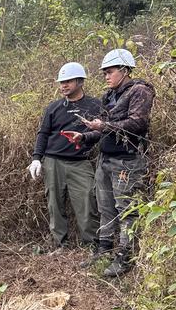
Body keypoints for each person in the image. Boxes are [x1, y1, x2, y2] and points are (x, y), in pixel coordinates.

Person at [63, 48, 155, 278]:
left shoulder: (140, 90)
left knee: (127, 210)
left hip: (127, 161)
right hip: (106, 159)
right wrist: (84, 136)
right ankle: (104, 250)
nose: (106, 76)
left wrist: (103, 126)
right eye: (104, 72)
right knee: (105, 207)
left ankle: (125, 256)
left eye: (110, 72)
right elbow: (102, 128)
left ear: (124, 70)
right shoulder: (109, 96)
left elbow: (138, 124)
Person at [27, 62, 102, 251]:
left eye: (68, 81)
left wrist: (86, 136)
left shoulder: (95, 105)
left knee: (87, 201)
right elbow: (43, 133)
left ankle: (92, 245)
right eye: (61, 82)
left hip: (80, 162)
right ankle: (60, 245)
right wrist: (36, 158)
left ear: (80, 81)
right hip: (53, 162)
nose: (64, 85)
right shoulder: (54, 107)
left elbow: (101, 131)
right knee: (55, 204)